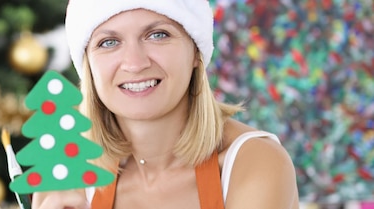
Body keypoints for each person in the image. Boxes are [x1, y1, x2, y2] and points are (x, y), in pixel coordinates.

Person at [32, 0, 299, 208]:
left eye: (157, 35)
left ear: (196, 51)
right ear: (88, 65)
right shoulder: (67, 175)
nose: (135, 63)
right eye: (109, 42)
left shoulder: (255, 163)